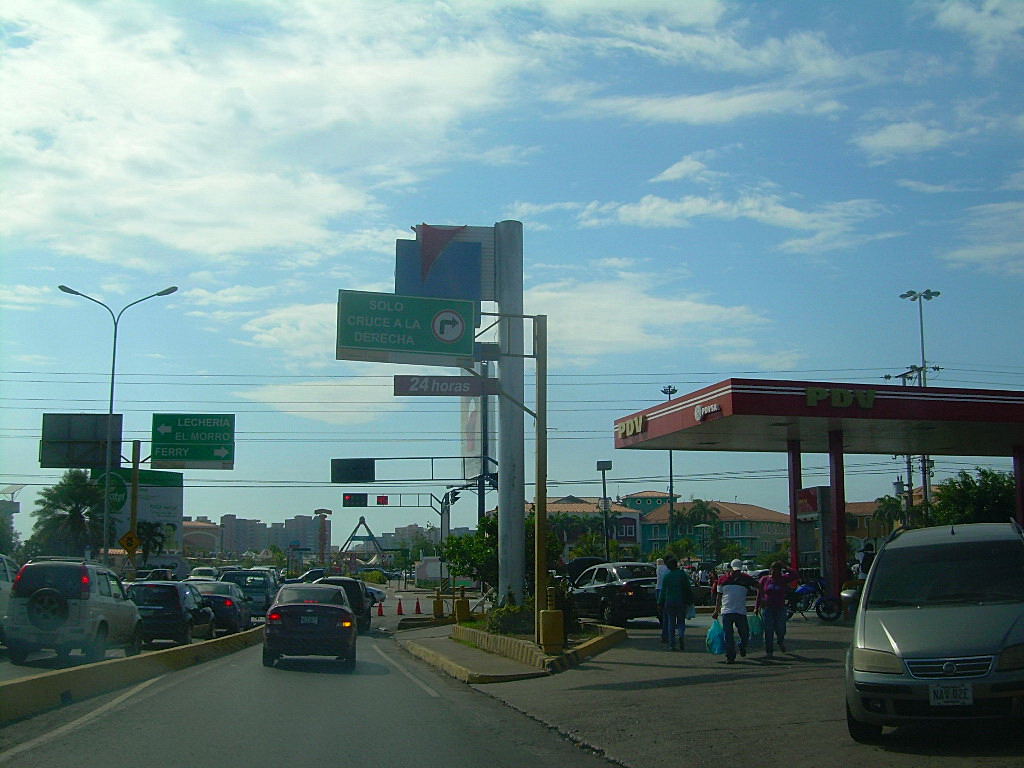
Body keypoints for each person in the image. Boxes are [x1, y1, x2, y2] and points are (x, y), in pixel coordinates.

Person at [712, 559, 762, 664]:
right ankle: (730, 656)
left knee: (745, 634)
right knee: (728, 636)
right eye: (735, 570)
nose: (736, 573)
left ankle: (742, 646)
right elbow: (719, 597)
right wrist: (716, 611)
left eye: (738, 571)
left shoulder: (746, 579)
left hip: (740, 611)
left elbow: (759, 587)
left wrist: (759, 602)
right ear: (730, 569)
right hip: (726, 611)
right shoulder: (722, 580)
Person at [755, 560, 800, 658]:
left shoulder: (783, 579)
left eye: (777, 570)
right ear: (770, 570)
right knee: (768, 629)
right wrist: (756, 606)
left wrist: (785, 566)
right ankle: (769, 650)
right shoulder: (765, 579)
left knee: (781, 628)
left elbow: (795, 575)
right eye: (773, 569)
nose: (775, 572)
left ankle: (780, 641)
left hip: (780, 607)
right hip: (767, 608)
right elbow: (760, 593)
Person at [659, 554, 693, 651]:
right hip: (681, 601)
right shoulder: (682, 575)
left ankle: (672, 644)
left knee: (671, 623)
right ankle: (681, 635)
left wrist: (659, 603)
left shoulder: (667, 577)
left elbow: (663, 592)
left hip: (669, 602)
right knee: (681, 621)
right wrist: (690, 600)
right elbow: (687, 588)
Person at [655, 557, 669, 644]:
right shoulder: (667, 569)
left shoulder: (658, 569)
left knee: (663, 614)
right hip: (665, 591)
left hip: (659, 589)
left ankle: (665, 635)